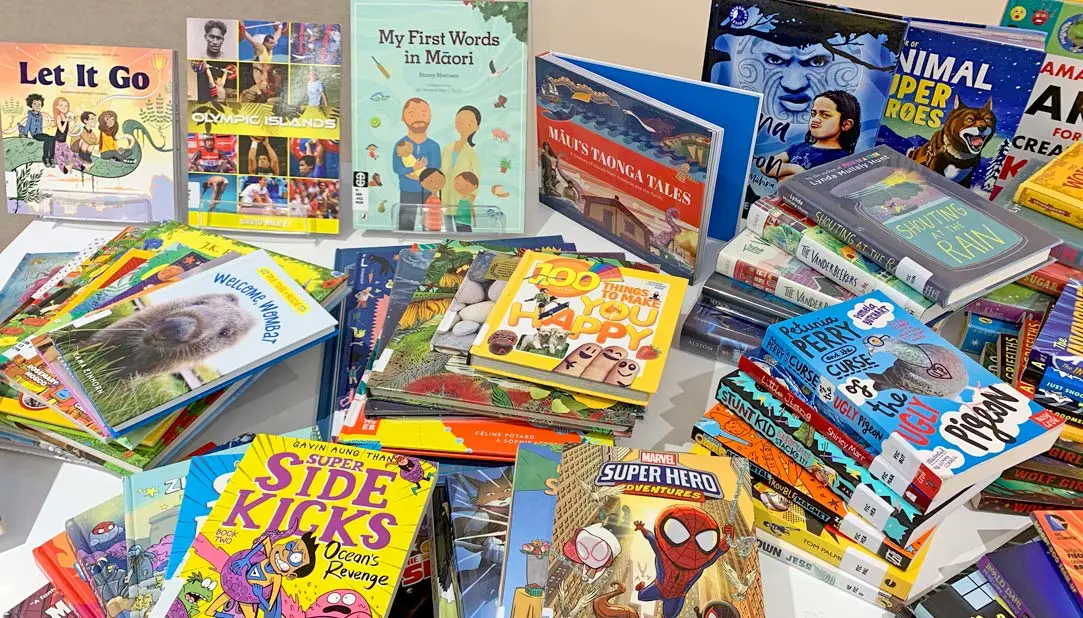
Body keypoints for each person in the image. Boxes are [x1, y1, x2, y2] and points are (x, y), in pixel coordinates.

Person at [760, 90, 860, 180]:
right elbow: (767, 166)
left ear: (846, 124)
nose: (815, 119)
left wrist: (781, 171)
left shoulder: (840, 160)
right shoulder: (798, 147)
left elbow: (788, 183)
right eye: (813, 114)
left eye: (825, 115)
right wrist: (795, 169)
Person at [393, 97, 441, 230]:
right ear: (402, 118)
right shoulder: (400, 145)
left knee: (431, 226)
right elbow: (397, 168)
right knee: (406, 225)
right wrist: (414, 168)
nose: (418, 118)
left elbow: (435, 169)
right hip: (408, 190)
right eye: (412, 113)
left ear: (430, 116)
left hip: (429, 192)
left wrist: (418, 175)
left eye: (424, 113)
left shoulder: (434, 146)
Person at [440, 106, 482, 221]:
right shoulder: (447, 148)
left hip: (463, 201)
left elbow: (476, 176)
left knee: (463, 229)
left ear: (477, 127)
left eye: (469, 123)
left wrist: (471, 198)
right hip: (445, 199)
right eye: (460, 122)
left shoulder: (472, 152)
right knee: (446, 229)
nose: (463, 126)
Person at [418, 168, 446, 232]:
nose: (436, 184)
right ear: (422, 183)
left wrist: (442, 220)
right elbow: (425, 211)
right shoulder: (429, 199)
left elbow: (441, 211)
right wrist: (423, 219)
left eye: (439, 180)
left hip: (438, 223)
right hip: (430, 223)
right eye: (430, 181)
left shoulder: (438, 199)